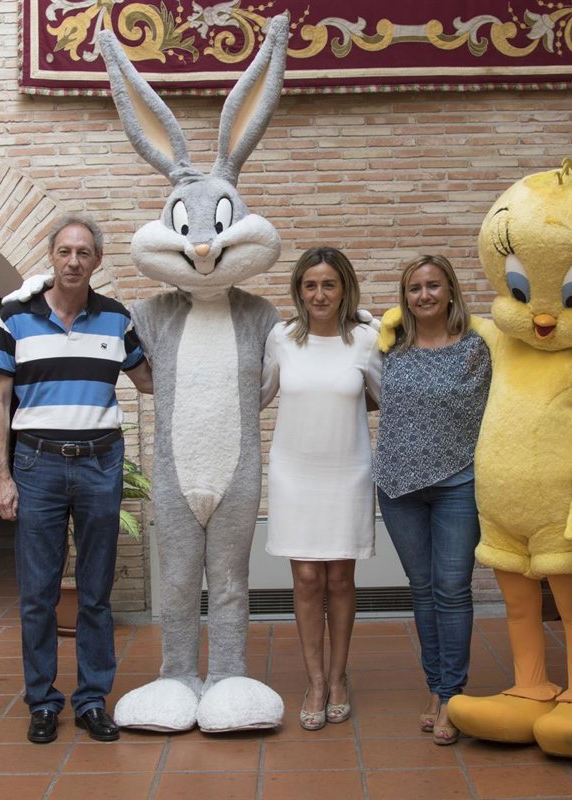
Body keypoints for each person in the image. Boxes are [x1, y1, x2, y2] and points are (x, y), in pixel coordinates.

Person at [0, 215, 153, 744]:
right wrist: (2, 478)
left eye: (84, 253)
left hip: (100, 462)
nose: (74, 261)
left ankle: (91, 701)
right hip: (36, 465)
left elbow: (149, 380)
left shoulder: (116, 319)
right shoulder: (14, 317)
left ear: (97, 260)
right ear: (51, 256)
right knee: (38, 594)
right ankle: (42, 701)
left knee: (96, 593)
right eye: (65, 251)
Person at [261, 246, 381, 731]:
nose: (319, 294)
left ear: (344, 287)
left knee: (340, 580)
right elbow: (259, 393)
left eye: (329, 284)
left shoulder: (366, 340)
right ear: (299, 290)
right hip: (294, 472)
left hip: (347, 470)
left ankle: (337, 677)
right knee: (308, 578)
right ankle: (314, 680)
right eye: (310, 285)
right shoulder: (282, 337)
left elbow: (388, 395)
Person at [373, 255, 491, 745]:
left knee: (452, 589)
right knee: (421, 588)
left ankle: (451, 695)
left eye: (433, 286)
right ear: (405, 297)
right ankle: (436, 687)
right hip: (398, 485)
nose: (424, 295)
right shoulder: (389, 347)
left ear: (450, 291)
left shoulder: (478, 349)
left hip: (458, 483)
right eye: (415, 288)